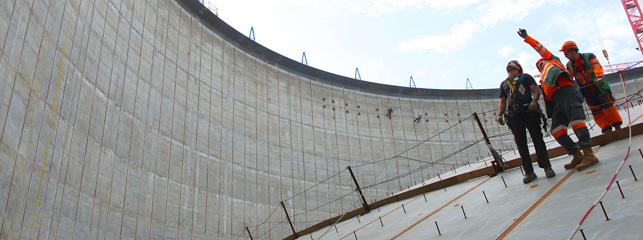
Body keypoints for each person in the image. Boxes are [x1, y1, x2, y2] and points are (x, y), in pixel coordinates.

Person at [517, 28, 599, 172]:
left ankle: (589, 154)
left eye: (541, 63)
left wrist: (527, 37)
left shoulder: (552, 60)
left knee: (577, 124)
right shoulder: (544, 80)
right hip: (557, 101)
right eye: (538, 66)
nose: (540, 66)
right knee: (556, 130)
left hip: (567, 92)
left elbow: (540, 49)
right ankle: (577, 154)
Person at [497, 60, 553, 183]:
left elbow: (535, 91)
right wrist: (500, 114)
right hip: (514, 115)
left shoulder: (526, 77)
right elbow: (503, 101)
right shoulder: (504, 84)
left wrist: (534, 101)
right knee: (521, 143)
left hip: (528, 110)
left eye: (512, 65)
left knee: (537, 138)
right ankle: (529, 172)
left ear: (518, 67)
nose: (509, 66)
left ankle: (547, 167)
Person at [560, 41, 623, 133]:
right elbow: (569, 78)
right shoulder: (569, 65)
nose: (565, 56)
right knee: (596, 111)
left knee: (608, 106)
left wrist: (599, 77)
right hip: (586, 91)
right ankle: (607, 129)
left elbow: (596, 66)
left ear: (572, 51)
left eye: (566, 53)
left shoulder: (589, 56)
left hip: (599, 87)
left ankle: (617, 126)